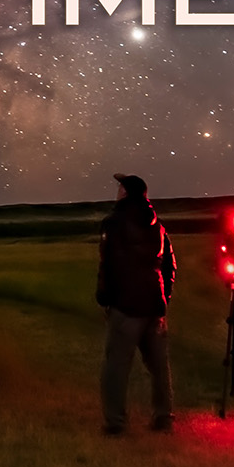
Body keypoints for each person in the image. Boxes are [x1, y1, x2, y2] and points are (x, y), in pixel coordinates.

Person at [96, 172, 176, 434]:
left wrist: (105, 298)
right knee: (159, 367)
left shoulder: (113, 223)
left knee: (116, 368)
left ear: (125, 192)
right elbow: (169, 265)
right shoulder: (157, 225)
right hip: (154, 304)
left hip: (125, 306)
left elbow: (108, 265)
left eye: (120, 187)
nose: (117, 190)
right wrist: (164, 296)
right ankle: (164, 418)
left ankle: (116, 423)